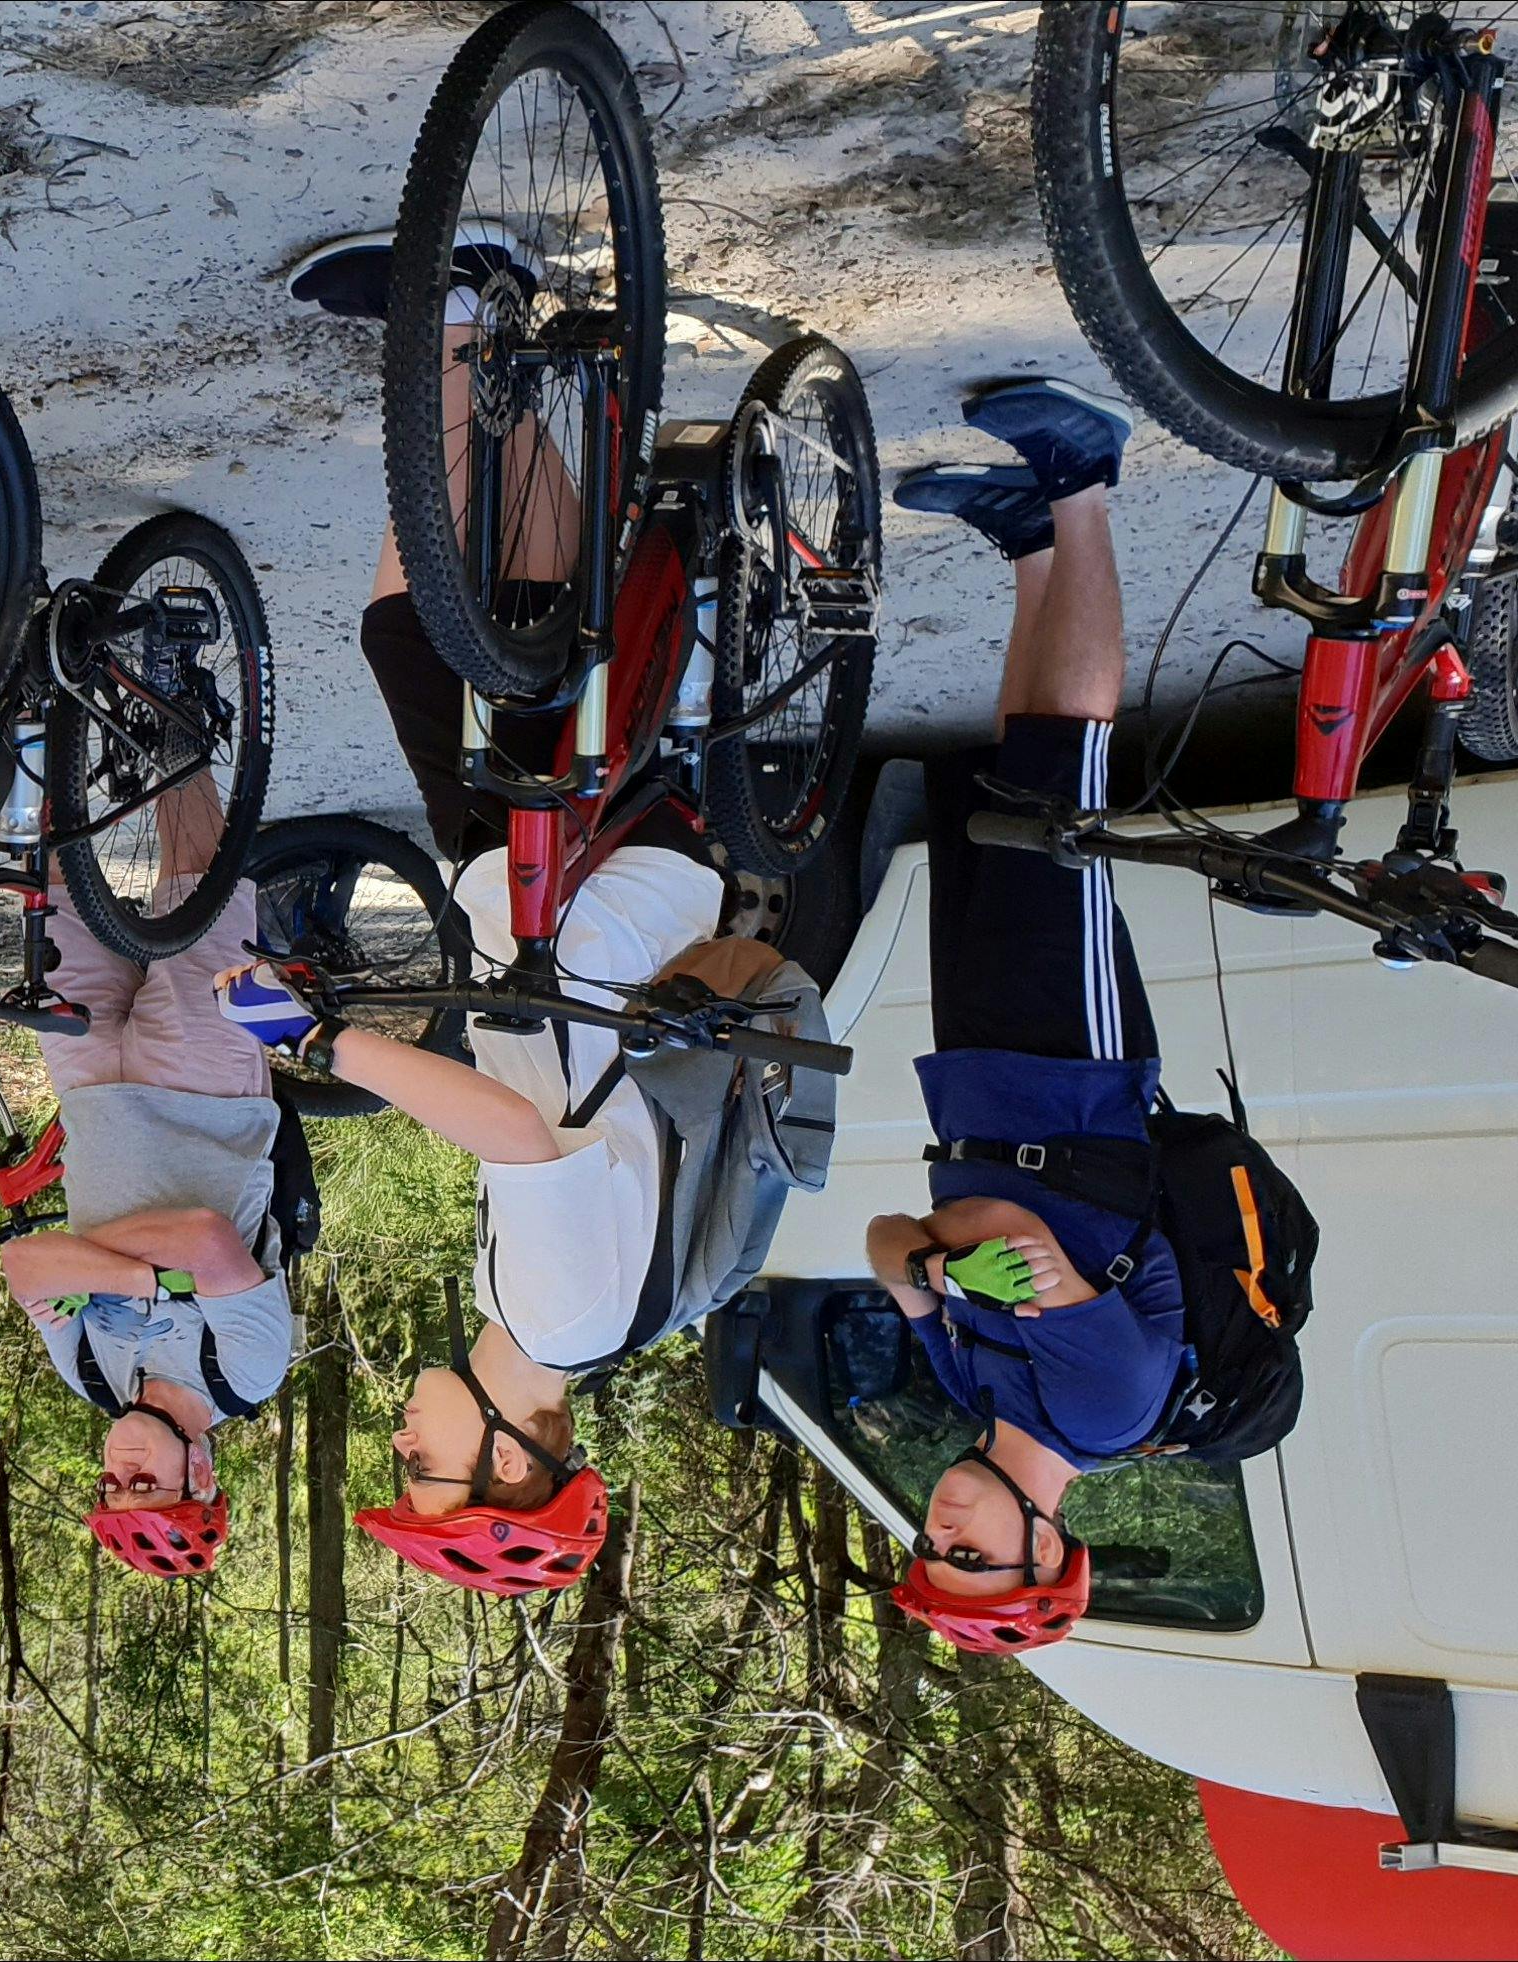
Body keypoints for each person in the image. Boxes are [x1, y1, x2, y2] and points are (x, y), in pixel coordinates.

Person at [242, 234, 822, 1596]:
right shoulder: (557, 1316)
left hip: (554, 919)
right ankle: (464, 324)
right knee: (449, 628)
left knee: (491, 627)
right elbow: (518, 1129)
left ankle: (486, 354)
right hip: (582, 908)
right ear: (512, 1460)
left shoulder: (567, 1321)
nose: (399, 1442)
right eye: (419, 1468)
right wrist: (314, 1038)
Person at [864, 378, 1176, 1656]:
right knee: (1066, 782)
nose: (941, 1527)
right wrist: (946, 1267)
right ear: (1049, 1547)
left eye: (930, 1551)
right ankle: (1086, 482)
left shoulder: (972, 1391)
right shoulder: (1104, 1417)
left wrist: (925, 1267)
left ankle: (1028, 546)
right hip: (1074, 1081)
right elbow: (1027, 1263)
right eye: (974, 1555)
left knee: (998, 793)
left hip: (982, 1087)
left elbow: (888, 1240)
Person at [0, 774, 299, 1583]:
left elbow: (20, 1266)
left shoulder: (91, 1373)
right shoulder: (247, 1371)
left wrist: (146, 1275)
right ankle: (176, 717)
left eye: (111, 1484)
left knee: (51, 890)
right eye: (147, 1484)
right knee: (196, 880)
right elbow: (204, 1235)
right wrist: (103, 1265)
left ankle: (56, 706)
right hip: (206, 1091)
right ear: (200, 1475)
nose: (121, 1465)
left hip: (88, 1090)